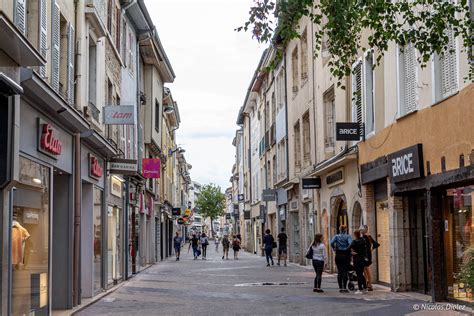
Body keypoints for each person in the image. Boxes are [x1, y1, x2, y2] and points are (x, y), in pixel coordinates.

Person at [330, 225, 353, 293]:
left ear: (340, 229)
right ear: (345, 230)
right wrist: (347, 249)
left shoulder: (336, 236)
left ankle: (340, 287)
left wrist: (334, 248)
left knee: (340, 271)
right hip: (346, 255)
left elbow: (331, 243)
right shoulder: (348, 236)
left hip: (338, 254)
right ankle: (344, 287)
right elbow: (350, 243)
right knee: (345, 271)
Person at [360, 225, 379, 291]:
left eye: (361, 230)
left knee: (367, 269)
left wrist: (370, 249)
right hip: (367, 254)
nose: (361, 231)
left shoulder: (366, 237)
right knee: (365, 269)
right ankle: (366, 283)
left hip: (366, 255)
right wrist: (371, 249)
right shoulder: (367, 237)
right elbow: (376, 244)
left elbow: (376, 244)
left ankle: (370, 284)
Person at [349, 230, 368, 294]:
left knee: (358, 274)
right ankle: (365, 287)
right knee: (361, 274)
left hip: (357, 259)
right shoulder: (363, 240)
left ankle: (360, 289)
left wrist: (352, 252)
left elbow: (348, 248)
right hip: (362, 259)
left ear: (355, 235)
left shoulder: (354, 241)